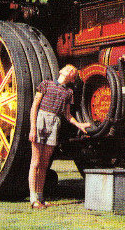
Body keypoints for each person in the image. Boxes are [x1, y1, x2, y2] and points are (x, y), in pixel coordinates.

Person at [28, 64, 90, 209]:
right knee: (35, 162)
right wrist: (32, 128)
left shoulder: (68, 93)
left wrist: (79, 125)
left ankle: (40, 198)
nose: (70, 70)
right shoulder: (45, 84)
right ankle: (33, 198)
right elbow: (34, 107)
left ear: (73, 78)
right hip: (40, 121)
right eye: (68, 68)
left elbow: (67, 115)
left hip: (55, 123)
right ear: (61, 71)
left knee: (44, 164)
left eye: (73, 71)